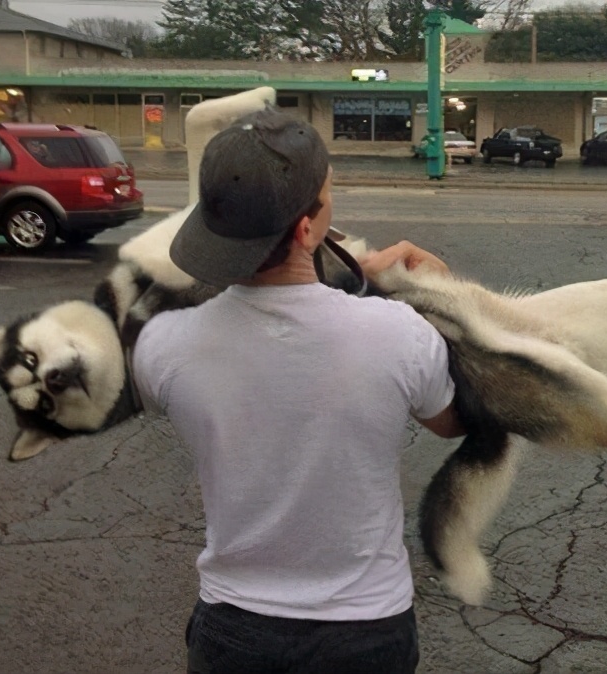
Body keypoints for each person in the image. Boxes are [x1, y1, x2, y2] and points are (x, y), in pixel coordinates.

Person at [131, 107, 465, 674]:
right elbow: (453, 421)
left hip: (234, 630)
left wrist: (348, 270)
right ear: (308, 229)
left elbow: (233, 304)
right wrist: (445, 295)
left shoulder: (162, 347)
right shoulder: (399, 333)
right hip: (365, 630)